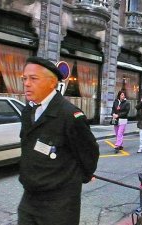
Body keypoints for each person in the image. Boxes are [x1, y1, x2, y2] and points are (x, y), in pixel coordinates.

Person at [18, 56, 99, 225]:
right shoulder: (28, 112)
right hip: (29, 199)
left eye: (33, 78)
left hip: (59, 204)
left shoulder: (70, 115)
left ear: (52, 83)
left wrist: (80, 177)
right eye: (24, 78)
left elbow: (89, 153)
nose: (26, 83)